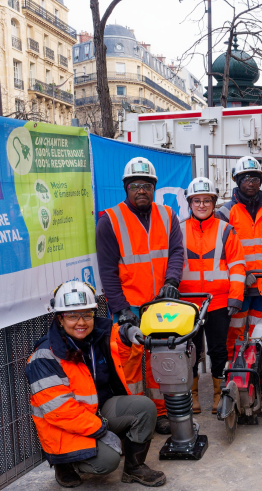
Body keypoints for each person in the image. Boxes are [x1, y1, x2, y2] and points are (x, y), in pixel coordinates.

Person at [25, 282, 166, 487]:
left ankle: (134, 469)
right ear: (60, 319)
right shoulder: (44, 358)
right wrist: (102, 430)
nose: (81, 322)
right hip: (63, 428)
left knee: (144, 407)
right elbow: (61, 412)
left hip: (96, 412)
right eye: (72, 316)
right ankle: (64, 464)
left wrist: (127, 334)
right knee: (107, 461)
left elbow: (116, 341)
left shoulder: (96, 338)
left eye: (87, 314)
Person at [95, 157, 184, 435]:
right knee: (130, 366)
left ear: (154, 187)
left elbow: (177, 253)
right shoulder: (109, 221)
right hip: (129, 308)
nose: (141, 190)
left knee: (159, 362)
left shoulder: (168, 215)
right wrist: (121, 309)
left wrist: (171, 281)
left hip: (159, 307)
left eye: (147, 185)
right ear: (125, 187)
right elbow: (108, 271)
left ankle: (159, 413)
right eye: (135, 185)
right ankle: (133, 416)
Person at [179, 177, 246, 414]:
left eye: (206, 200)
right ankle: (193, 394)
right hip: (187, 304)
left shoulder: (226, 230)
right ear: (189, 202)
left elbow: (237, 265)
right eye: (196, 200)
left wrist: (235, 296)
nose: (201, 205)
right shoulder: (178, 230)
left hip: (218, 302)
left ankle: (219, 394)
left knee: (218, 349)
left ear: (214, 203)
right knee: (190, 350)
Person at [216, 156, 262, 360]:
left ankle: (258, 370)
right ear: (238, 181)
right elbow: (219, 254)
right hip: (238, 289)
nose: (251, 183)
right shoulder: (226, 213)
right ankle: (233, 371)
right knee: (235, 334)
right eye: (246, 178)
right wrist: (240, 276)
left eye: (255, 179)